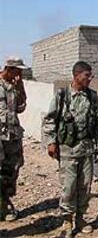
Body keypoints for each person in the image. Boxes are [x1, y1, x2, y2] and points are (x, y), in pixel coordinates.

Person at [43, 61, 98, 237]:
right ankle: (67, 220)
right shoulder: (62, 95)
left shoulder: (92, 96)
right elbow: (49, 120)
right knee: (68, 187)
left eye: (90, 75)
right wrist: (51, 142)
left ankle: (81, 218)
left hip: (86, 149)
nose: (90, 79)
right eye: (87, 75)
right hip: (67, 149)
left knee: (85, 186)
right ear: (76, 75)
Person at [0, 57, 27, 221]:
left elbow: (21, 108)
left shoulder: (14, 86)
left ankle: (5, 201)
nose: (21, 73)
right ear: (9, 69)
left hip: (13, 135)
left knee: (13, 168)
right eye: (18, 70)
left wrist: (21, 87)